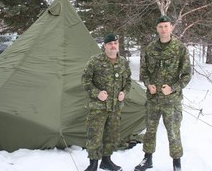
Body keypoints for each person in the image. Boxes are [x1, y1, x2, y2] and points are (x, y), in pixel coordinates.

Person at [134, 15, 192, 171]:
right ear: (157, 29)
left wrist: (172, 88)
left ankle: (176, 164)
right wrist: (148, 84)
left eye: (166, 26)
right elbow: (144, 72)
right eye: (160, 27)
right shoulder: (150, 48)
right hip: (153, 99)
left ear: (171, 28)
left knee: (173, 132)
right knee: (150, 130)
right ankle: (147, 159)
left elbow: (187, 74)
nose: (163, 29)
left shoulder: (180, 48)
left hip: (171, 101)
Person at [82, 33, 132, 171]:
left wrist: (124, 93)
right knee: (95, 135)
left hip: (115, 107)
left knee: (112, 135)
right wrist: (97, 93)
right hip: (98, 107)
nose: (113, 45)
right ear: (105, 46)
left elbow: (128, 81)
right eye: (110, 43)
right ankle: (93, 164)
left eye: (115, 43)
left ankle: (106, 161)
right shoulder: (95, 61)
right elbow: (85, 80)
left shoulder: (123, 62)